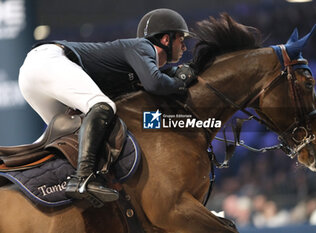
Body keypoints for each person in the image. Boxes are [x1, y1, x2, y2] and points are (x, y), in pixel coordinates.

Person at [18, 8, 196, 206]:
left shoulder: (137, 62)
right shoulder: (143, 47)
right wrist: (181, 83)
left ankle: (30, 181)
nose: (185, 48)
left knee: (67, 136)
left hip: (31, 75)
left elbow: (151, 84)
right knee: (102, 106)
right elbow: (154, 83)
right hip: (48, 60)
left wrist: (175, 76)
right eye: (182, 39)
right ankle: (83, 178)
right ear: (165, 39)